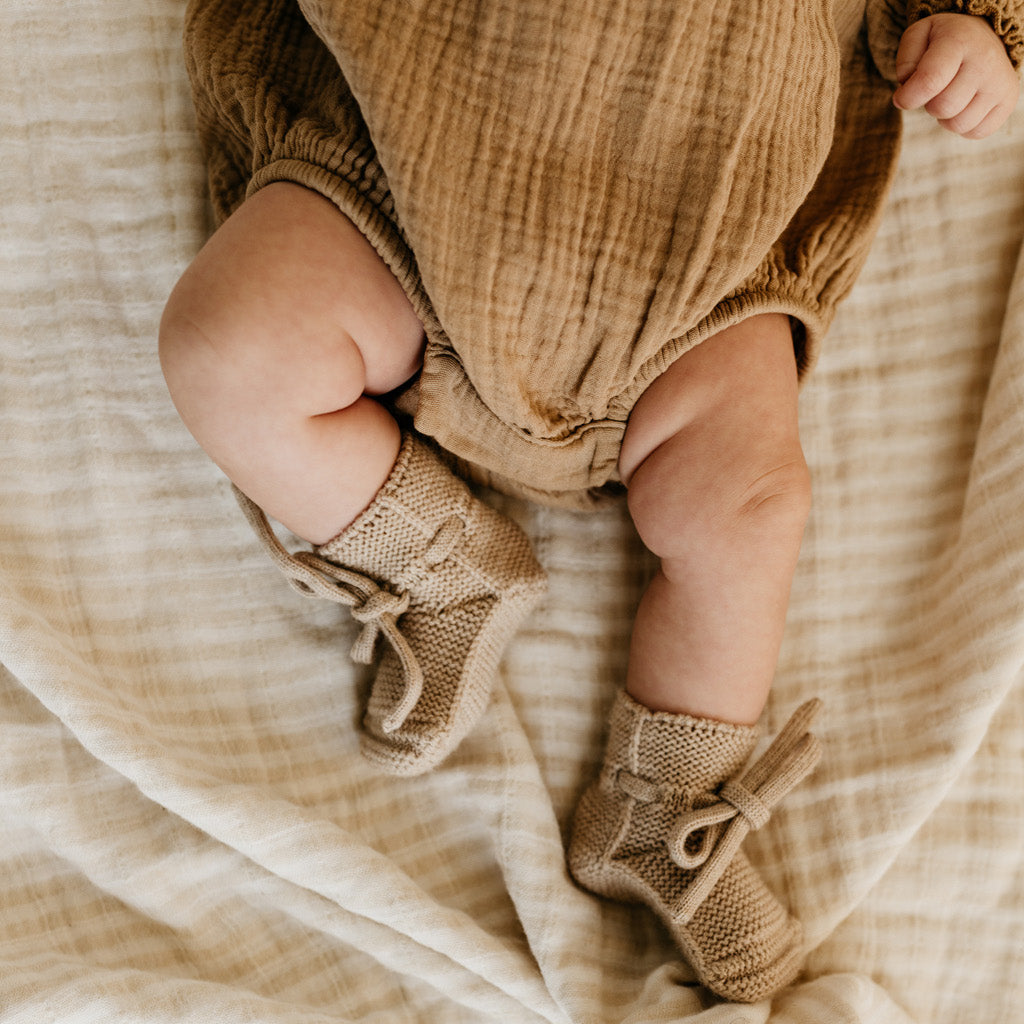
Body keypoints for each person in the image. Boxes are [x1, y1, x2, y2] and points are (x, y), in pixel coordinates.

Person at [160, 0, 1021, 1003]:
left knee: (751, 507)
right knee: (227, 346)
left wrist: (979, 30)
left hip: (705, 257)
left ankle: (658, 804)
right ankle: (442, 562)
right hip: (400, 166)